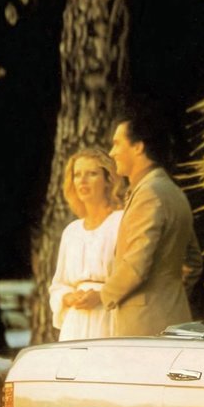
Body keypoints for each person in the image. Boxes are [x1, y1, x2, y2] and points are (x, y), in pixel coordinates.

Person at [101, 108, 202, 334]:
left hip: (144, 326)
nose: (111, 152)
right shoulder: (173, 191)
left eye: (117, 144)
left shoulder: (149, 194)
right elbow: (193, 262)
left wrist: (103, 296)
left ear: (138, 147)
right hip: (173, 316)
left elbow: (136, 265)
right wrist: (168, 294)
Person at [48, 146, 125, 340]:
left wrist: (100, 296)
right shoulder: (72, 231)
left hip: (110, 316)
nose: (82, 180)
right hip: (75, 323)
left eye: (92, 174)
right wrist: (67, 297)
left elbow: (133, 274)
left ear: (108, 180)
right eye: (77, 175)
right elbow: (59, 284)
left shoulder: (121, 221)